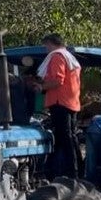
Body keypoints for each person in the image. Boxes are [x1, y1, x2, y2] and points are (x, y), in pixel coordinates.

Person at [31, 34, 81, 179]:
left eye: (46, 46)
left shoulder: (57, 56)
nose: (45, 49)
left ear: (51, 43)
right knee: (69, 137)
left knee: (64, 138)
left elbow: (58, 80)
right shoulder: (70, 57)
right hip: (70, 101)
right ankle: (69, 169)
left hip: (60, 101)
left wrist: (41, 87)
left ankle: (70, 172)